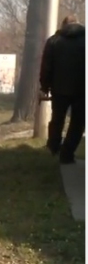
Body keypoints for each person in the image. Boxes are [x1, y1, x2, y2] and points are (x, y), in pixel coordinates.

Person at [40, 15, 85, 164]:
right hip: (81, 90)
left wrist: (44, 87)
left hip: (59, 89)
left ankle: (54, 147)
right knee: (78, 123)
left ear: (63, 25)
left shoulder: (54, 41)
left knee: (57, 119)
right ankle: (67, 154)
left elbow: (46, 67)